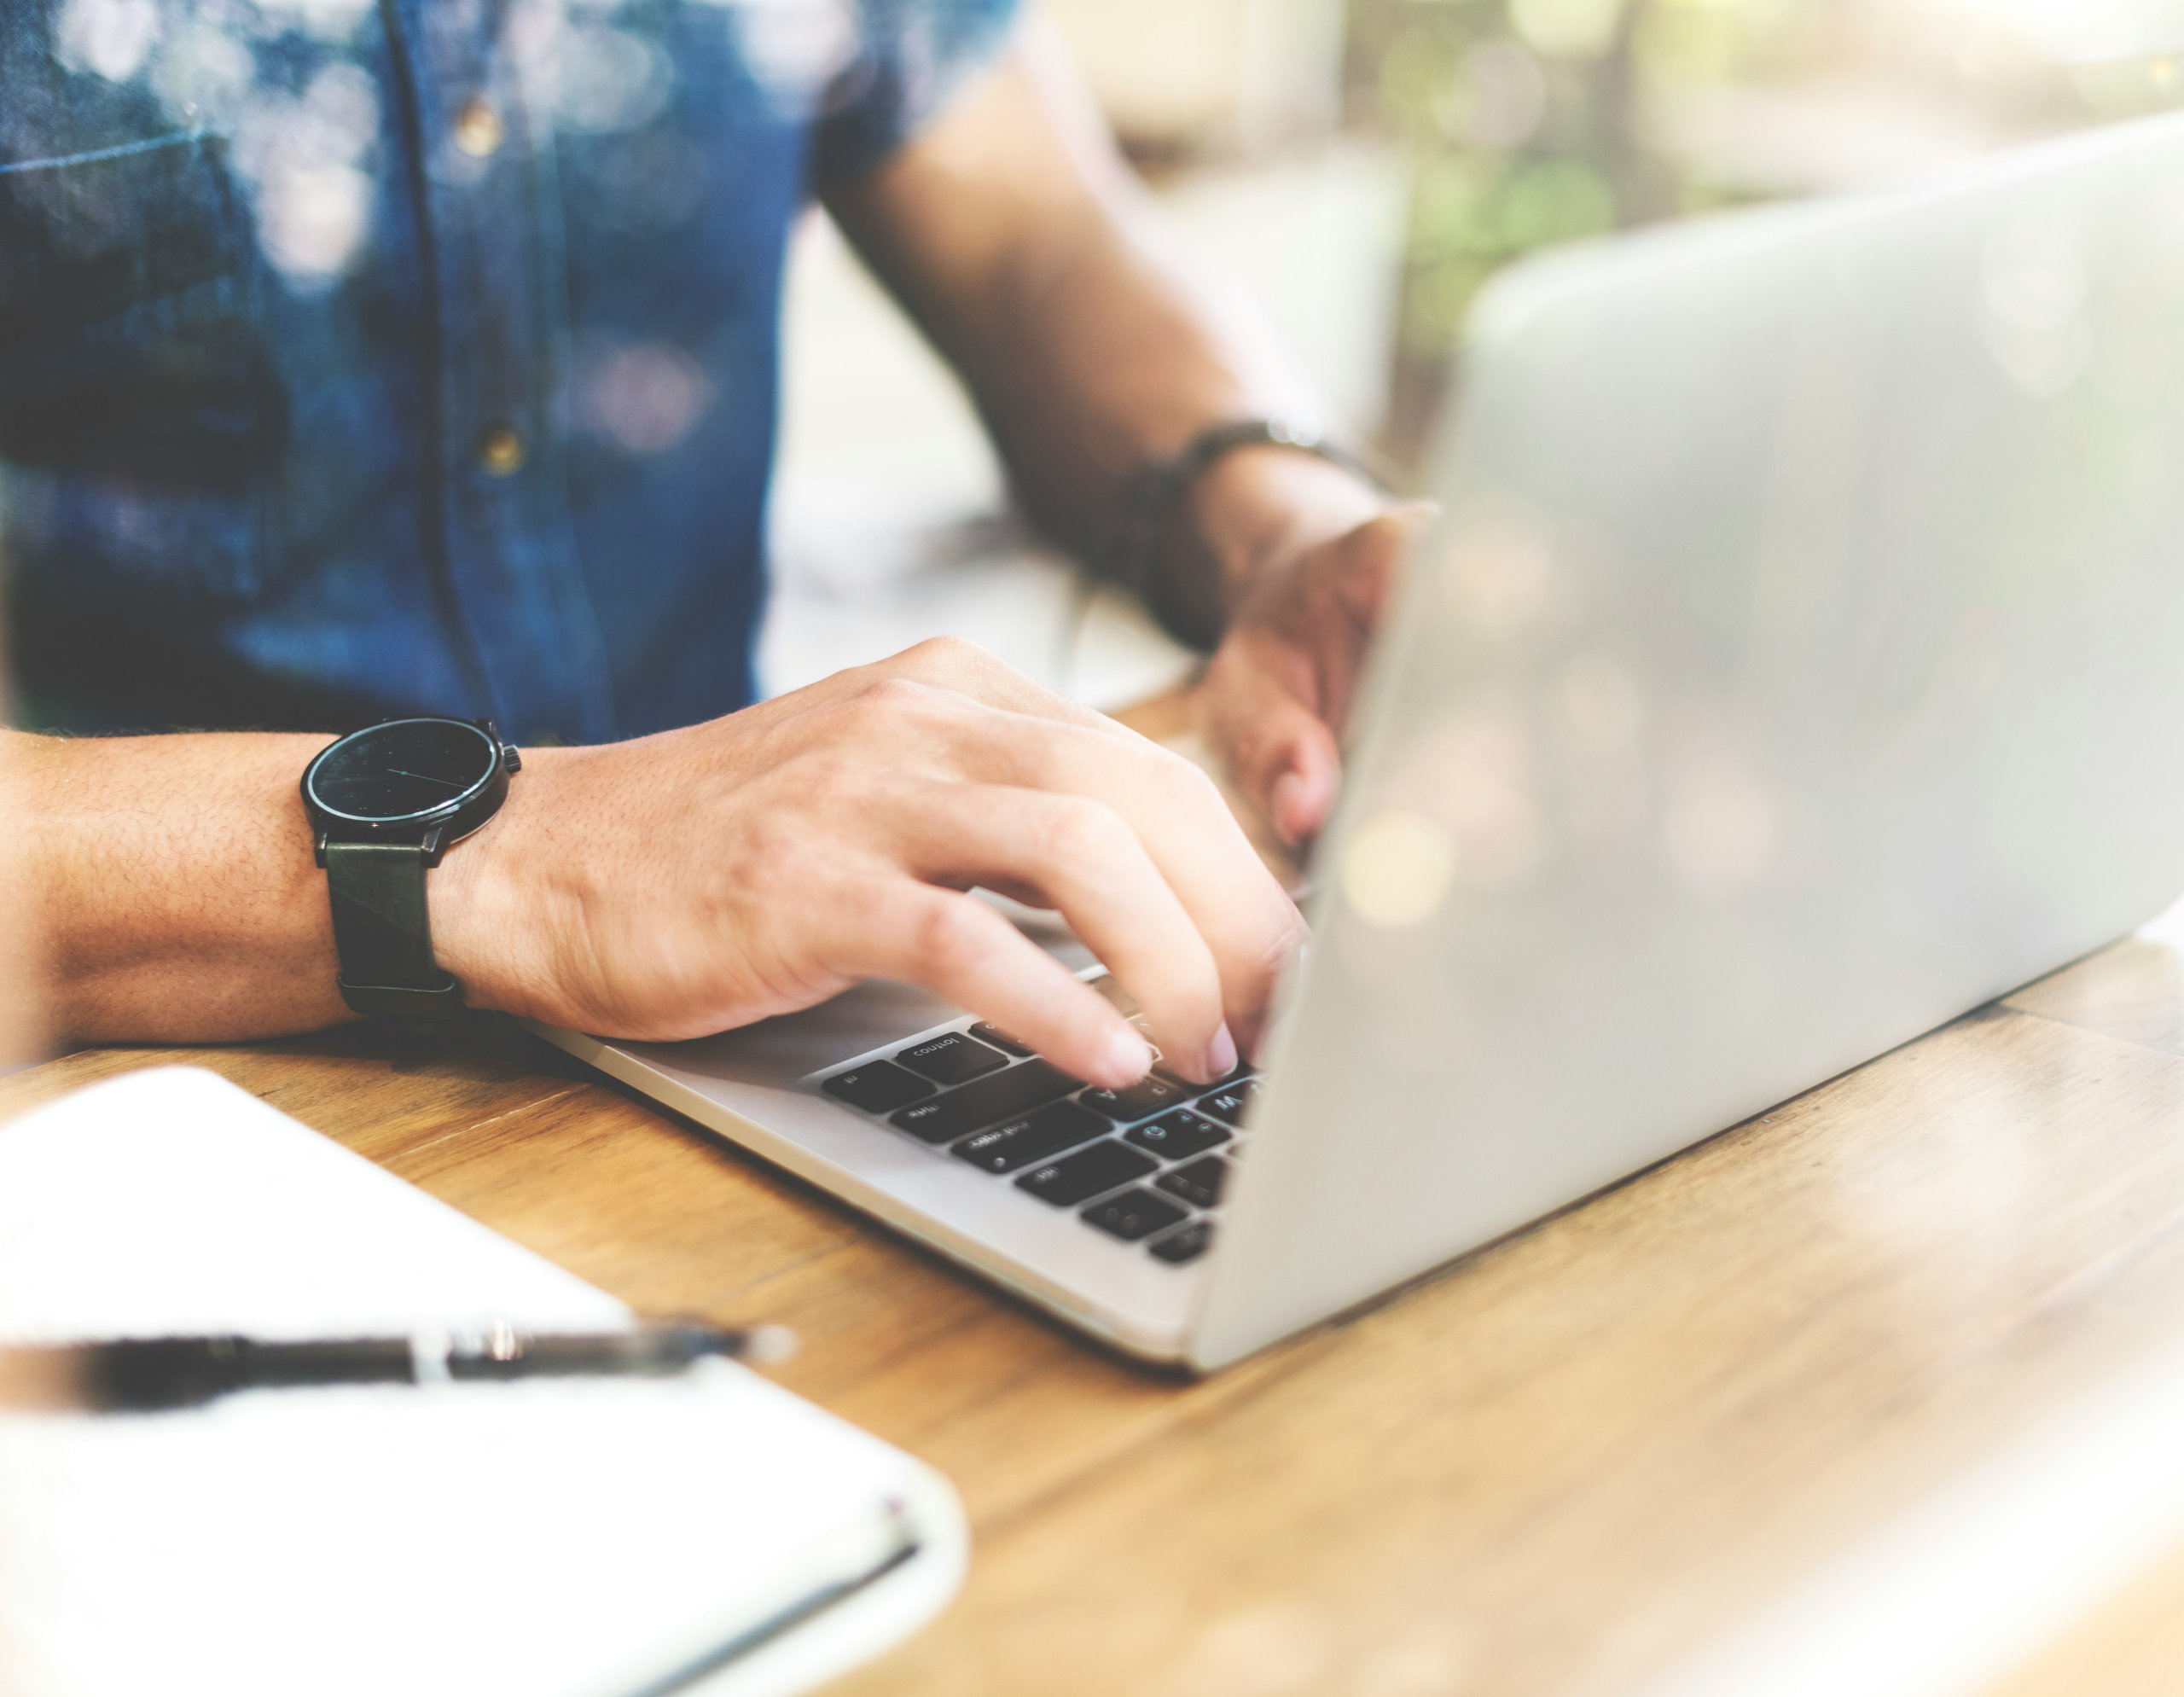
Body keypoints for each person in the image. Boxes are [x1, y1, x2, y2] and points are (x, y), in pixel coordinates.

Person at [3, 0, 1409, 1090]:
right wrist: (531, 857)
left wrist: (1281, 525)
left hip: (746, 1022)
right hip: (139, 1108)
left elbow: (1036, 241)